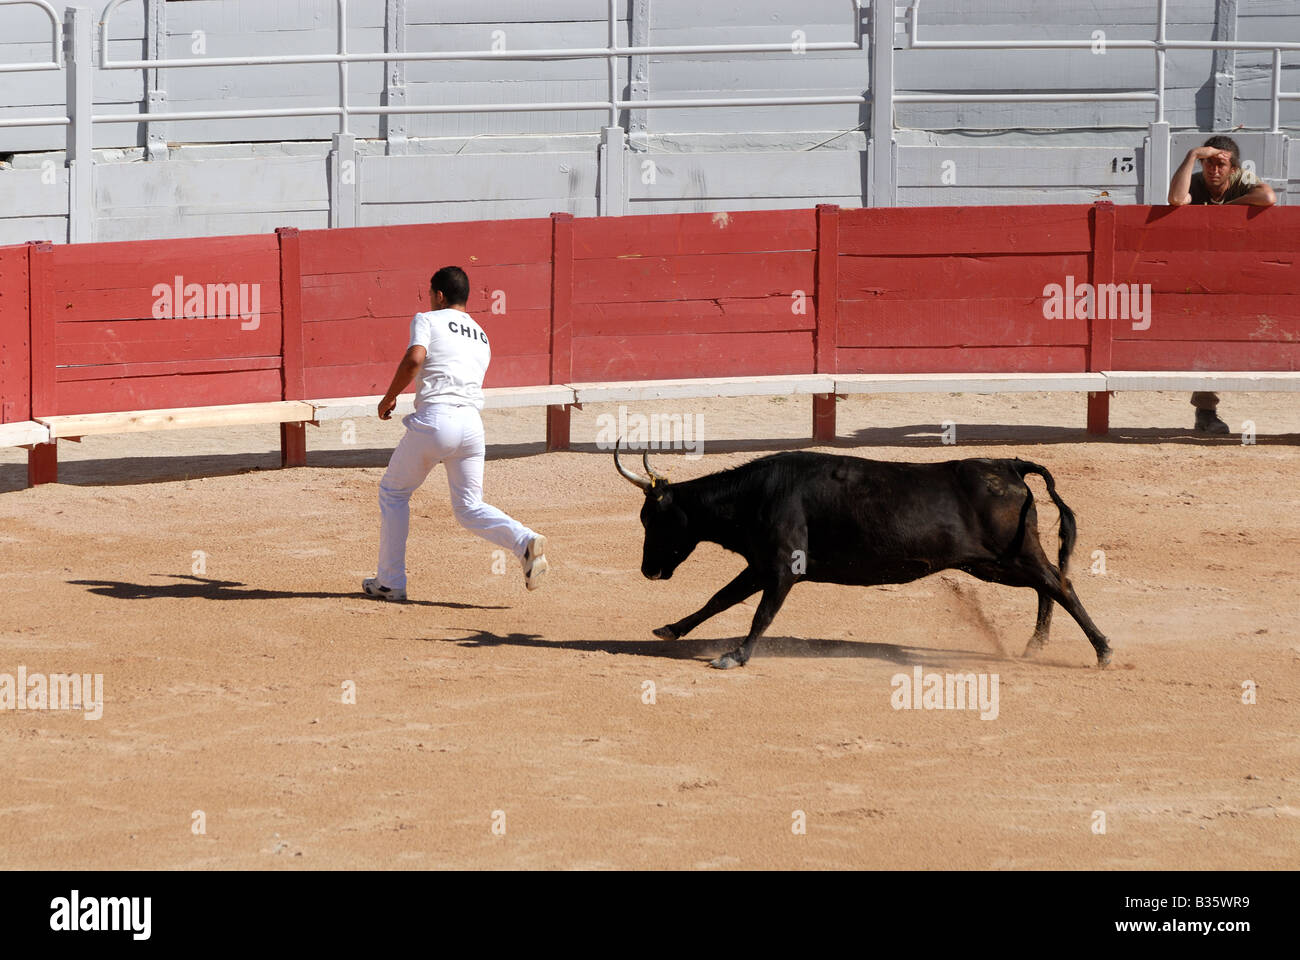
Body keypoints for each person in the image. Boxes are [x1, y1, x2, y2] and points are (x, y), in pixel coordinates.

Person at [363, 265, 548, 601]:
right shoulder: (482, 334)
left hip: (437, 420)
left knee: (394, 493)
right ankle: (523, 540)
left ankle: (390, 581)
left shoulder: (427, 319)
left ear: (439, 295)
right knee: (468, 506)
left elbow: (414, 358)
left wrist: (389, 396)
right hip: (471, 426)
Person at [1167, 135, 1277, 434]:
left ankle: (1206, 411)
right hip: (1196, 270)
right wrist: (1191, 155)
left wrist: (1227, 208)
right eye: (1208, 162)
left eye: (1221, 164)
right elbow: (1176, 199)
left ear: (1233, 168)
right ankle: (1206, 411)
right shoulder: (1197, 180)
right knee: (1205, 336)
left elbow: (1268, 197)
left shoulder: (1242, 178)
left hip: (1237, 271)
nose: (1214, 170)